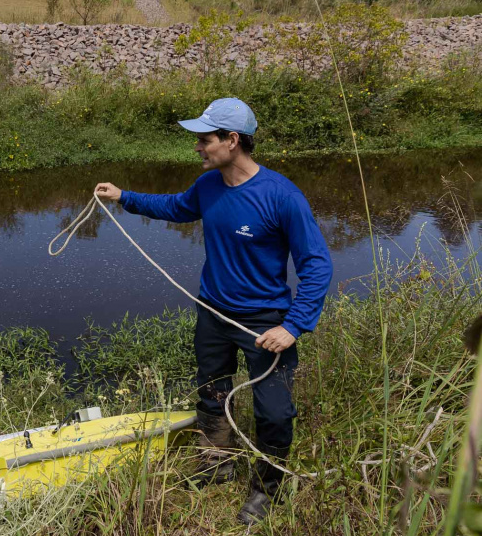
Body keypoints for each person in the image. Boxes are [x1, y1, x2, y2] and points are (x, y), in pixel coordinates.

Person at [94, 98, 332, 524]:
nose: (198, 147)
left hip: (265, 323)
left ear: (232, 140)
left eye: (205, 140)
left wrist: (294, 326)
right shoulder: (207, 186)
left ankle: (266, 490)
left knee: (274, 411)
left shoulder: (282, 196)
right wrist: (124, 197)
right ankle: (216, 463)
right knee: (212, 392)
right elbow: (175, 207)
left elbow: (316, 264)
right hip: (212, 314)